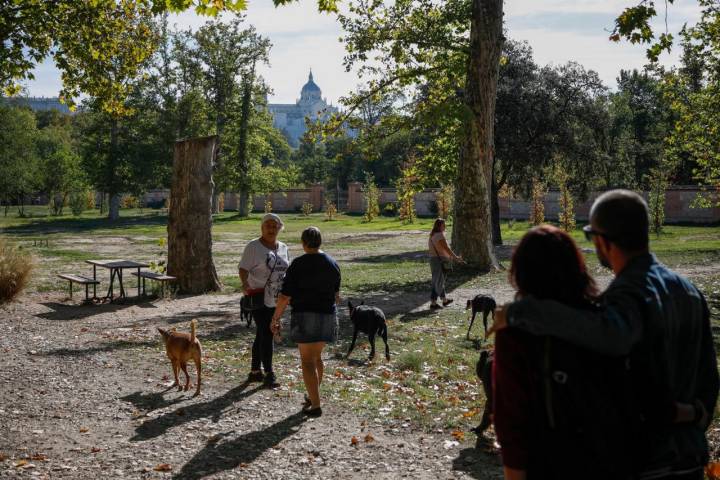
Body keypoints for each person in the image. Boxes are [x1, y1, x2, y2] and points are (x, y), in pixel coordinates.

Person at [491, 190, 719, 480]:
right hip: (691, 457)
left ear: (602, 240)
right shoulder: (690, 292)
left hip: (645, 460)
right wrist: (695, 415)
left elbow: (611, 339)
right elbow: (709, 379)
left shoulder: (628, 297)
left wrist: (518, 313)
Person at [271, 227, 340, 417]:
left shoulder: (298, 264)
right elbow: (336, 294)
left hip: (305, 315)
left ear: (303, 243)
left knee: (307, 361)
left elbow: (285, 296)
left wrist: (275, 317)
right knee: (317, 358)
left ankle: (316, 405)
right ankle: (312, 395)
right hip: (328, 314)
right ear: (320, 241)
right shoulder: (332, 263)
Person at [238, 213, 290, 389]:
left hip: (276, 297)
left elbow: (286, 270)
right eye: (268, 225)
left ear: (279, 228)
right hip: (257, 295)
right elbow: (243, 268)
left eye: (275, 226)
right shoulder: (253, 246)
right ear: (261, 227)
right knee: (267, 331)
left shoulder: (283, 247)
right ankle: (269, 373)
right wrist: (244, 283)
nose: (271, 228)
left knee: (262, 332)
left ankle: (254, 371)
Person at [428, 218, 463, 309]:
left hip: (434, 260)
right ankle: (444, 300)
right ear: (439, 226)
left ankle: (434, 302)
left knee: (436, 281)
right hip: (439, 261)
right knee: (439, 281)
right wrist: (456, 257)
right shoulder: (439, 235)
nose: (445, 226)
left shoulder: (433, 235)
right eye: (443, 225)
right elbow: (446, 248)